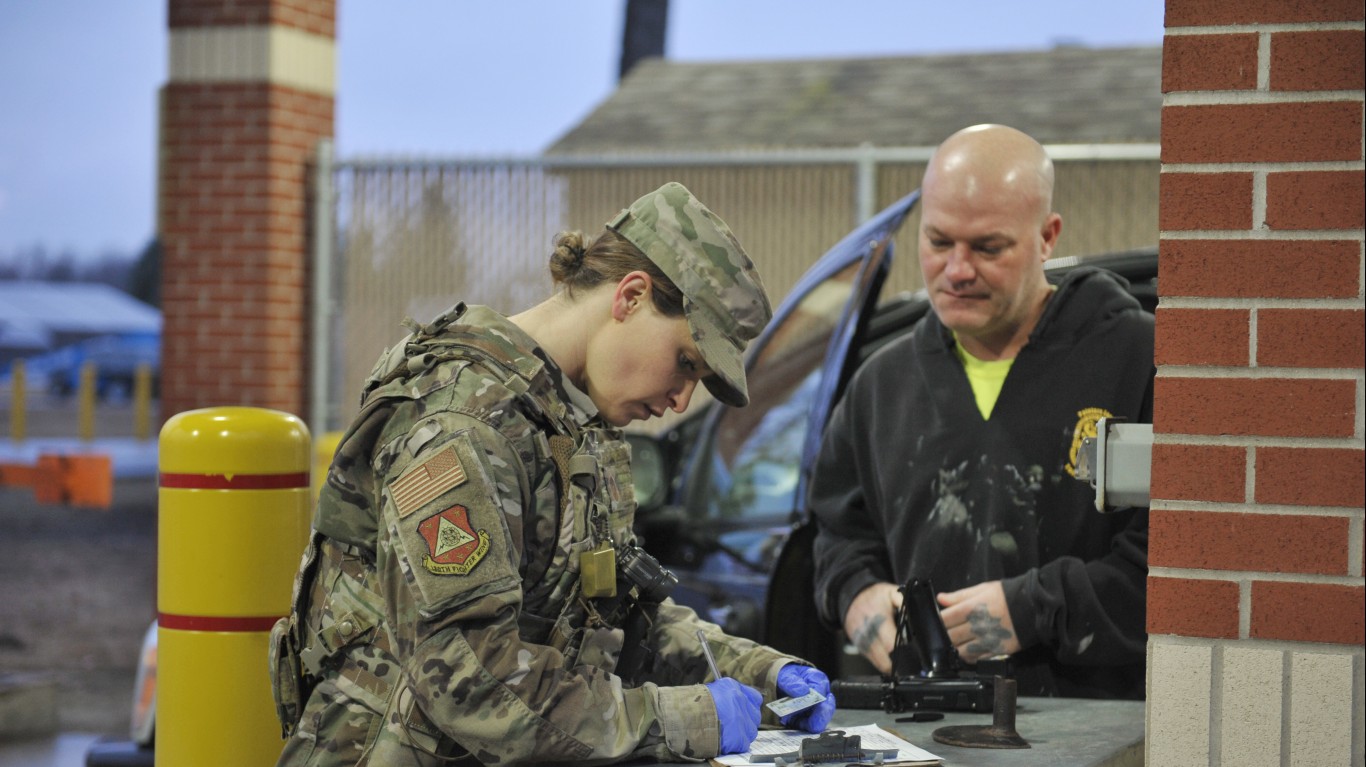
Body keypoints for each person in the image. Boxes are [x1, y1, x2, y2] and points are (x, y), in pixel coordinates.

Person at [270, 182, 835, 766]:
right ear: (631, 296)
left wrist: (764, 674)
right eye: (685, 363)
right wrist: (684, 718)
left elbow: (618, 619)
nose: (681, 400)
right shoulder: (461, 424)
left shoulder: (570, 426)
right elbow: (469, 679)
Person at [809, 124, 1154, 699]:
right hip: (923, 734)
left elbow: (1177, 562)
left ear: (1048, 236)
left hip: (1096, 732)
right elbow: (838, 535)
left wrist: (1035, 609)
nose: (958, 270)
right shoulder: (880, 387)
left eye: (988, 248)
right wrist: (857, 597)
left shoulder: (1138, 361)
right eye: (939, 243)